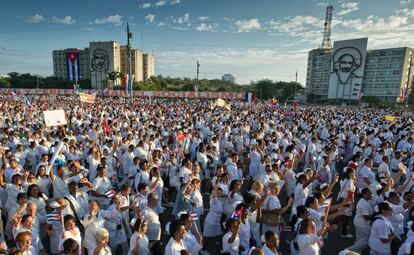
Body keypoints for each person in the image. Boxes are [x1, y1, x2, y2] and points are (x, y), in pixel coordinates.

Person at [346, 188, 374, 253]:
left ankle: (357, 252)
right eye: (369, 194)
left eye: (371, 194)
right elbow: (366, 217)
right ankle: (348, 251)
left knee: (359, 239)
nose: (371, 195)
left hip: (359, 222)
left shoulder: (365, 200)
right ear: (364, 195)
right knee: (365, 241)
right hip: (363, 224)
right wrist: (375, 215)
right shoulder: (363, 204)